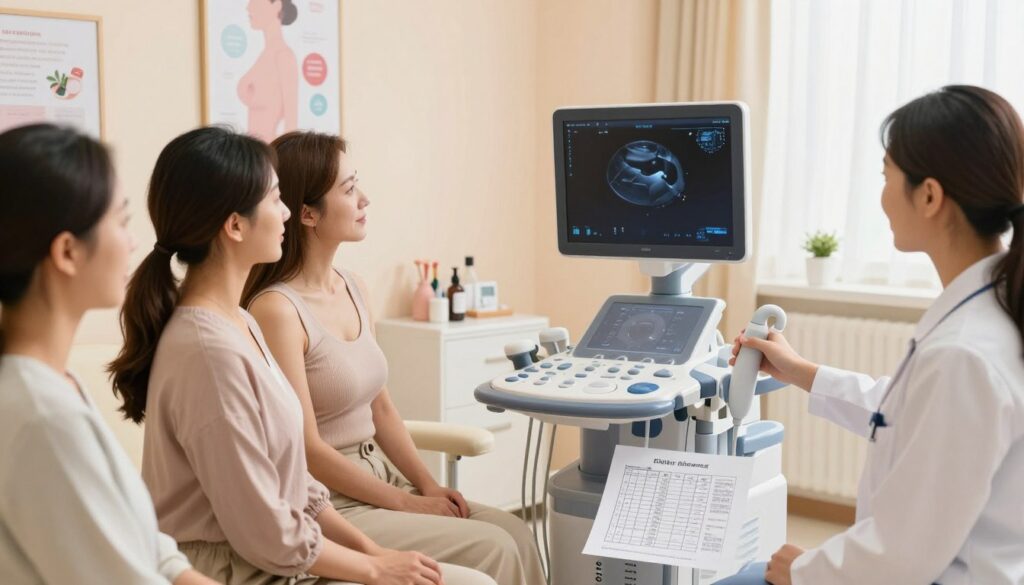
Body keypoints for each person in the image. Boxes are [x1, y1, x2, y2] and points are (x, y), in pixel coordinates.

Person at [109, 126, 494, 585]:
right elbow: (263, 531)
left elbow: (295, 486)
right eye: (275, 199)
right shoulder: (210, 353)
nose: (288, 212)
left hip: (277, 548)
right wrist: (373, 566)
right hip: (237, 568)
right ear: (235, 225)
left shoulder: (239, 322)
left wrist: (373, 551)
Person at [731, 85, 1024, 585]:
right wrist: (804, 373)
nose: (883, 193)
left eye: (886, 175)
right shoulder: (992, 311)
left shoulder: (964, 354)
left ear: (929, 195)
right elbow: (912, 419)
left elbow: (900, 558)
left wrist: (800, 570)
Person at [243, 131, 546, 585]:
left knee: (516, 531)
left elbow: (381, 409)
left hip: (383, 479)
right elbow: (307, 450)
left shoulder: (355, 287)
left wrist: (425, 484)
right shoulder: (277, 311)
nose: (364, 199)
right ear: (306, 213)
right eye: (348, 190)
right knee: (495, 548)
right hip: (333, 503)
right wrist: (405, 502)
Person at [0, 123, 216, 584]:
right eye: (121, 221)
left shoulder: (53, 384)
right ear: (67, 253)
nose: (134, 242)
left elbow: (140, 543)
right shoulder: (41, 416)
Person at [238, 0, 299, 141]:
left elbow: (291, 121)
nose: (248, 7)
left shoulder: (284, 56)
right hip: (254, 156)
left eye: (255, 1)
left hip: (270, 155)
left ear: (276, 4)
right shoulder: (265, 55)